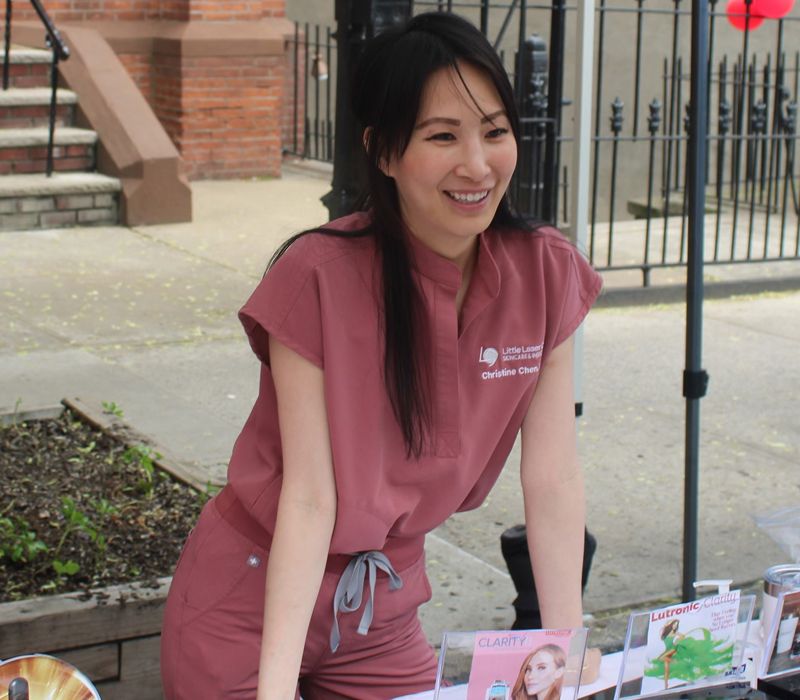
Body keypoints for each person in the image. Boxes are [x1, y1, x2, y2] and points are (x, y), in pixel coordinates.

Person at [160, 10, 602, 700]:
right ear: (384, 152)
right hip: (251, 597)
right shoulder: (317, 276)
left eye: (494, 131)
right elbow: (310, 499)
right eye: (442, 136)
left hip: (382, 607)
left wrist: (563, 650)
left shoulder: (545, 273)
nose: (477, 164)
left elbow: (552, 478)